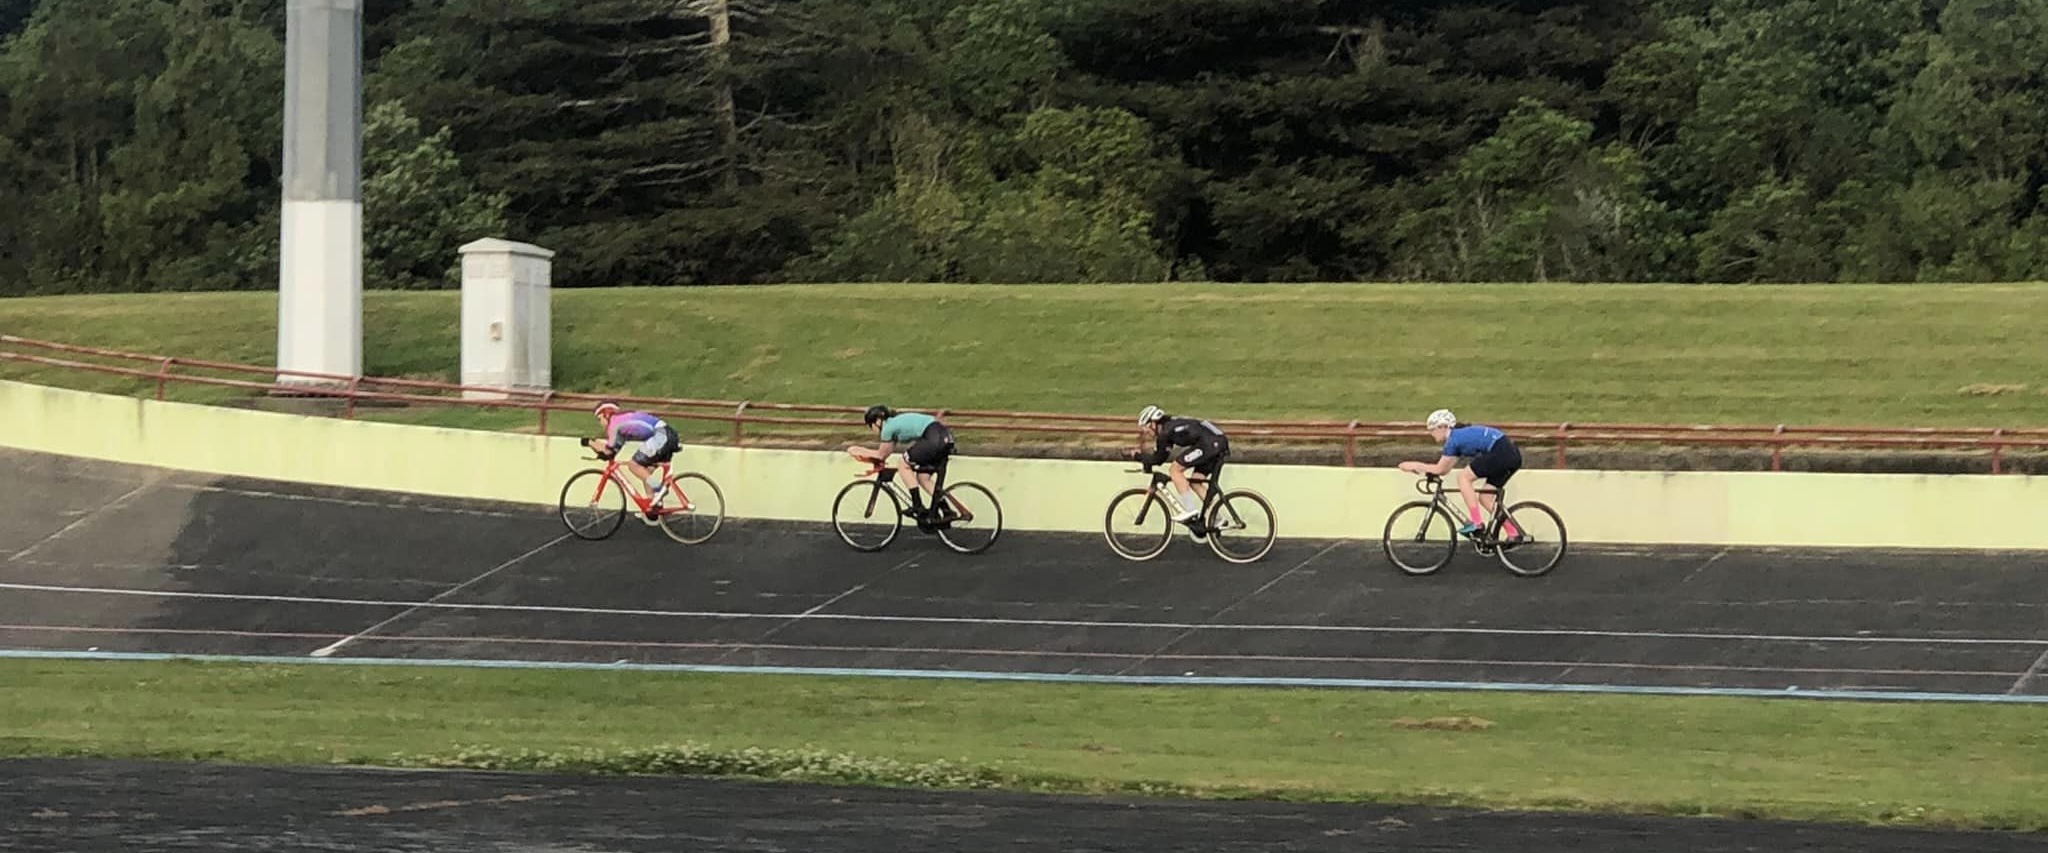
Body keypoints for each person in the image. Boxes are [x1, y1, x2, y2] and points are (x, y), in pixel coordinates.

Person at [1398, 408, 1523, 541]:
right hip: (1510, 454)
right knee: (1485, 498)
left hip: (1500, 452)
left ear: (1442, 427)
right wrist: (1425, 470)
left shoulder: (1453, 440)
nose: (1431, 433)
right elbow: (1444, 470)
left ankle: (1476, 522)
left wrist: (1414, 465)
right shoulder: (1459, 437)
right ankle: (1512, 532)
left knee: (1463, 478)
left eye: (1432, 429)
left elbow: (1440, 469)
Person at [849, 405, 967, 522]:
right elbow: (886, 452)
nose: (871, 429)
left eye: (871, 425)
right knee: (923, 478)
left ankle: (917, 506)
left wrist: (857, 450)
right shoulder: (895, 424)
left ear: (878, 421)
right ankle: (946, 510)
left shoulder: (888, 428)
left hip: (933, 439)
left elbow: (881, 455)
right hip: (943, 437)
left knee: (903, 464)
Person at [1129, 405, 1228, 525]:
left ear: (1153, 423)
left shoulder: (1165, 432)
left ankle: (1190, 510)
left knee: (1175, 470)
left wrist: (1137, 456)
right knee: (1196, 482)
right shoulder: (1170, 426)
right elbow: (1160, 457)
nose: (1145, 431)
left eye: (1145, 427)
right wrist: (1145, 460)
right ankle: (1217, 517)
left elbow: (1158, 459)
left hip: (1210, 444)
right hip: (1216, 442)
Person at [585, 401, 685, 516]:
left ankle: (659, 488)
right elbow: (611, 452)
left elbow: (608, 450)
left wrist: (589, 442)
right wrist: (597, 446)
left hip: (661, 435)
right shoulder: (620, 422)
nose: (600, 423)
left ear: (606, 415)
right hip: (665, 434)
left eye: (599, 419)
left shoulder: (614, 424)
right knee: (645, 471)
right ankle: (651, 507)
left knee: (633, 465)